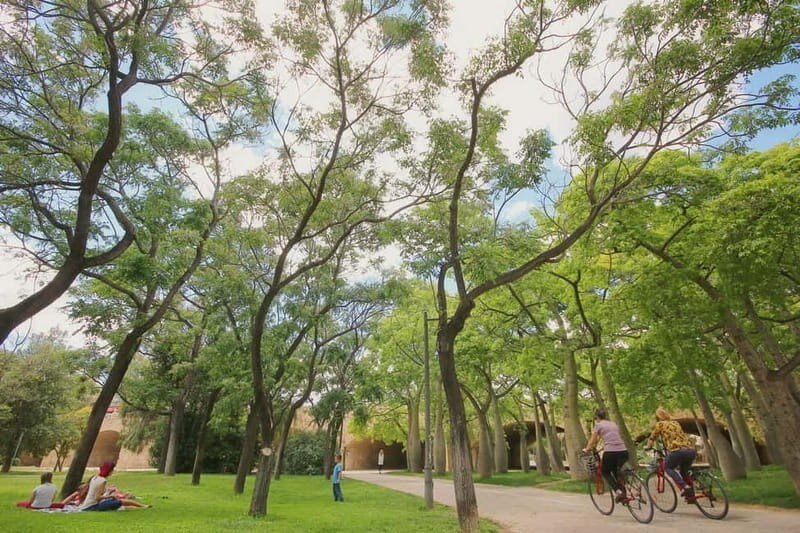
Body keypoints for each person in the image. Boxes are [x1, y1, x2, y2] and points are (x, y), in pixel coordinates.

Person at [646, 408, 697, 498]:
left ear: (658, 417)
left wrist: (648, 447)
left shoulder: (660, 424)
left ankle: (684, 487)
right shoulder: (675, 423)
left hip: (677, 451)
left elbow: (652, 438)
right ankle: (691, 495)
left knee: (668, 468)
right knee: (683, 472)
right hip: (690, 451)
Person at [582, 408, 629, 502]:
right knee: (616, 471)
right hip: (623, 451)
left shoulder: (598, 425)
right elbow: (613, 439)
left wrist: (587, 449)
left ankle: (618, 491)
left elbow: (593, 440)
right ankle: (624, 494)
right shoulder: (613, 424)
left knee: (605, 471)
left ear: (597, 417)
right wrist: (602, 447)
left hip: (611, 452)